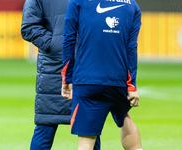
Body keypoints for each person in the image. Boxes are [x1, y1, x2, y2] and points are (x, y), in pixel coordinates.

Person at [21, 0, 141, 149]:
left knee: (92, 128)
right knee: (46, 124)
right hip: (55, 68)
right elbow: (28, 27)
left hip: (90, 68)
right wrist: (56, 44)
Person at [61, 0, 142, 150]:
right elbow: (131, 48)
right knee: (125, 118)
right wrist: (131, 86)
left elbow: (68, 40)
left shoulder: (77, 1)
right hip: (118, 80)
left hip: (87, 79)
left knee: (86, 139)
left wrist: (67, 78)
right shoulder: (132, 5)